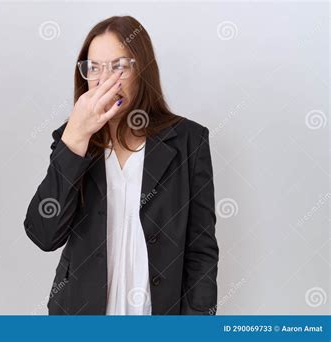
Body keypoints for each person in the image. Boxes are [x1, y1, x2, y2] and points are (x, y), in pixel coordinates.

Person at [24, 15, 219, 315]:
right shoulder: (72, 140)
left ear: (142, 70)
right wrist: (75, 138)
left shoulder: (188, 141)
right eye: (94, 68)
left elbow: (201, 252)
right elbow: (43, 234)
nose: (104, 80)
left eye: (119, 66)